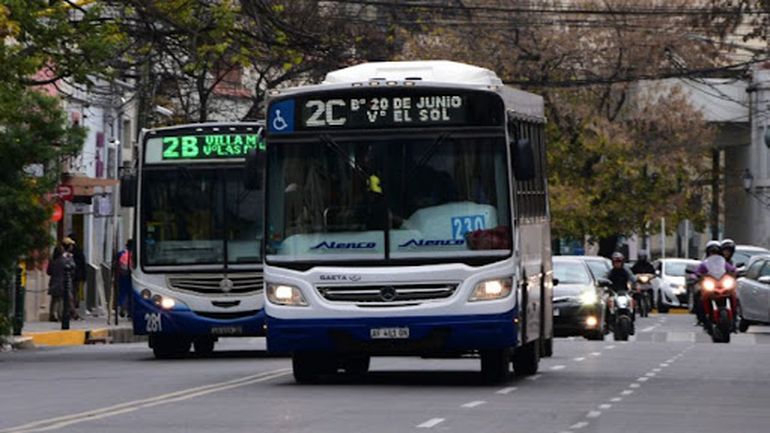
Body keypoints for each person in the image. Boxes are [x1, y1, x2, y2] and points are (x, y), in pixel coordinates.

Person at [47, 244, 77, 322]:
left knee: (54, 300)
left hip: (53, 282)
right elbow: (72, 267)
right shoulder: (65, 260)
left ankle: (53, 314)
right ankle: (63, 315)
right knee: (64, 299)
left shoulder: (52, 261)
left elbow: (48, 272)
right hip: (64, 282)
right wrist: (70, 258)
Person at [65, 234, 87, 311]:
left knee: (73, 291)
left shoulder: (72, 252)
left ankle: (72, 308)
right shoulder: (78, 251)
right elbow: (83, 263)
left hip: (75, 275)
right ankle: (73, 307)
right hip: (77, 275)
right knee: (75, 291)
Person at [115, 239, 134, 317]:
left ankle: (121, 307)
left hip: (122, 275)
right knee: (131, 293)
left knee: (122, 292)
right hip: (132, 275)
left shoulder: (121, 253)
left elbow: (116, 264)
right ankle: (130, 311)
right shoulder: (135, 254)